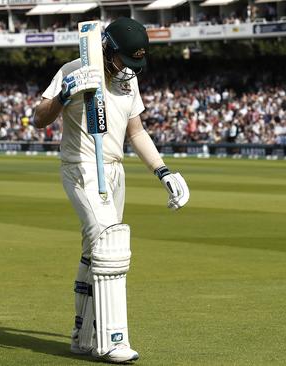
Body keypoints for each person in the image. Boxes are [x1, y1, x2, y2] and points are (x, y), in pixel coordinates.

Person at [33, 17, 189, 363]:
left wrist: (163, 171)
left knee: (94, 253)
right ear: (107, 50)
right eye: (124, 60)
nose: (129, 69)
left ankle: (82, 336)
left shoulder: (126, 80)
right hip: (82, 168)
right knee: (110, 246)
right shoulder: (73, 69)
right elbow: (39, 117)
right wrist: (64, 93)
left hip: (114, 171)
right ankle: (112, 339)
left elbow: (136, 132)